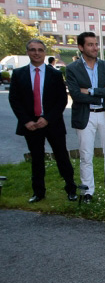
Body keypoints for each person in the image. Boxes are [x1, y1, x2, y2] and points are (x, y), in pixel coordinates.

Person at [9, 39, 77, 202]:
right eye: (33, 50)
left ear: (44, 52)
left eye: (40, 50)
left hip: (52, 123)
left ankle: (71, 189)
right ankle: (38, 192)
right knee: (37, 159)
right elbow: (14, 100)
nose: (36, 53)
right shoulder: (19, 74)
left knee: (62, 157)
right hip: (31, 125)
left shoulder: (54, 74)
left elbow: (61, 100)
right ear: (28, 52)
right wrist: (26, 121)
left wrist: (47, 119)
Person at [66, 32, 105, 203]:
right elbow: (76, 95)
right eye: (90, 45)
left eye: (96, 44)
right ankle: (88, 191)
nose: (95, 48)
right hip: (85, 115)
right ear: (81, 47)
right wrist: (103, 92)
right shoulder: (72, 68)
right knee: (86, 155)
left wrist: (91, 90)